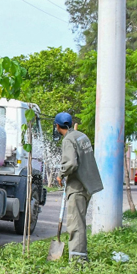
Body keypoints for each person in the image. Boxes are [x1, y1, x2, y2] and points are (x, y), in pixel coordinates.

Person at [54, 112, 103, 263]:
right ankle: (79, 257)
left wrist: (60, 174)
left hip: (77, 187)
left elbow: (71, 164)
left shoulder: (68, 140)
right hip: (87, 185)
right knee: (79, 222)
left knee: (75, 224)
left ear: (57, 126)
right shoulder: (81, 136)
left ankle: (78, 261)